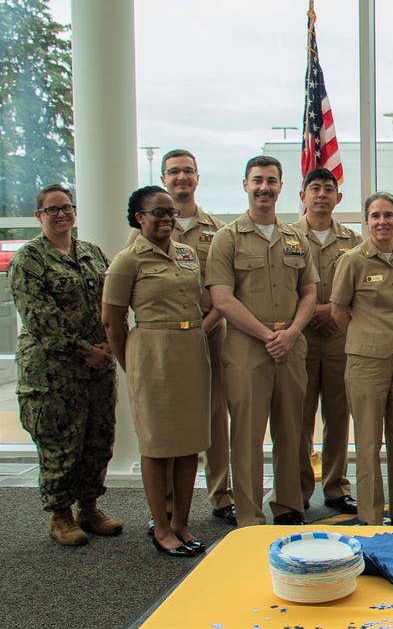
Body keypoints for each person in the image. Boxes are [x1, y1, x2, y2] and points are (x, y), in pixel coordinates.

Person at [206, 156, 318, 527]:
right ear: (245, 185)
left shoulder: (295, 238)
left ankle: (288, 507)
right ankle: (249, 516)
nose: (264, 187)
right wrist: (268, 335)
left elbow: (309, 293)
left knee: (291, 432)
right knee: (247, 436)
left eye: (271, 180)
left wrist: (291, 333)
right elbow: (222, 299)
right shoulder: (226, 238)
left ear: (281, 187)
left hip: (290, 346)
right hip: (246, 348)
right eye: (257, 180)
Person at [8, 184, 122, 547]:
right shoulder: (29, 259)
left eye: (67, 208)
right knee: (60, 443)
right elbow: (40, 316)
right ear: (39, 215)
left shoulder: (91, 253)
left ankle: (89, 508)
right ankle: (60, 515)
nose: (61, 214)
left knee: (97, 439)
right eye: (52, 209)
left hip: (98, 367)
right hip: (53, 372)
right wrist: (83, 349)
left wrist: (108, 341)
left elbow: (111, 301)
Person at [125, 149, 235, 527]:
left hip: (209, 331)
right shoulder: (137, 238)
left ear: (198, 177)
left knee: (213, 415)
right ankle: (168, 505)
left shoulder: (217, 230)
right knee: (167, 422)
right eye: (174, 172)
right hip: (165, 342)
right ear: (164, 178)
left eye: (188, 171)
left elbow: (226, 287)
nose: (181, 177)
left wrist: (203, 326)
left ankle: (221, 495)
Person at [103, 186, 210, 557]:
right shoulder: (127, 260)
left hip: (191, 349)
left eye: (171, 213)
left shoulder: (188, 253)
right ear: (140, 218)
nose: (167, 219)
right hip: (153, 352)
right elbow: (112, 323)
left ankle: (181, 522)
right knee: (158, 443)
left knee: (188, 444)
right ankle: (161, 528)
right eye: (158, 213)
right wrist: (132, 365)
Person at [331, 192, 393, 526]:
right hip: (366, 361)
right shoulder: (353, 260)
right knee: (369, 441)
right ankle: (371, 516)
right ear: (366, 221)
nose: (382, 222)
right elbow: (338, 311)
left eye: (388, 215)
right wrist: (365, 339)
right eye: (375, 216)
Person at [292, 168, 361, 515]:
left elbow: (363, 289)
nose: (321, 194)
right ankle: (300, 490)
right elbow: (277, 287)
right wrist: (314, 310)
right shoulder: (287, 238)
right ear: (302, 196)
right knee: (299, 418)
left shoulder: (353, 241)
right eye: (314, 188)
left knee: (338, 416)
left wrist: (330, 311)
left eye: (328, 189)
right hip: (298, 337)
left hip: (338, 337)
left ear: (338, 198)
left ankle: (336, 487)